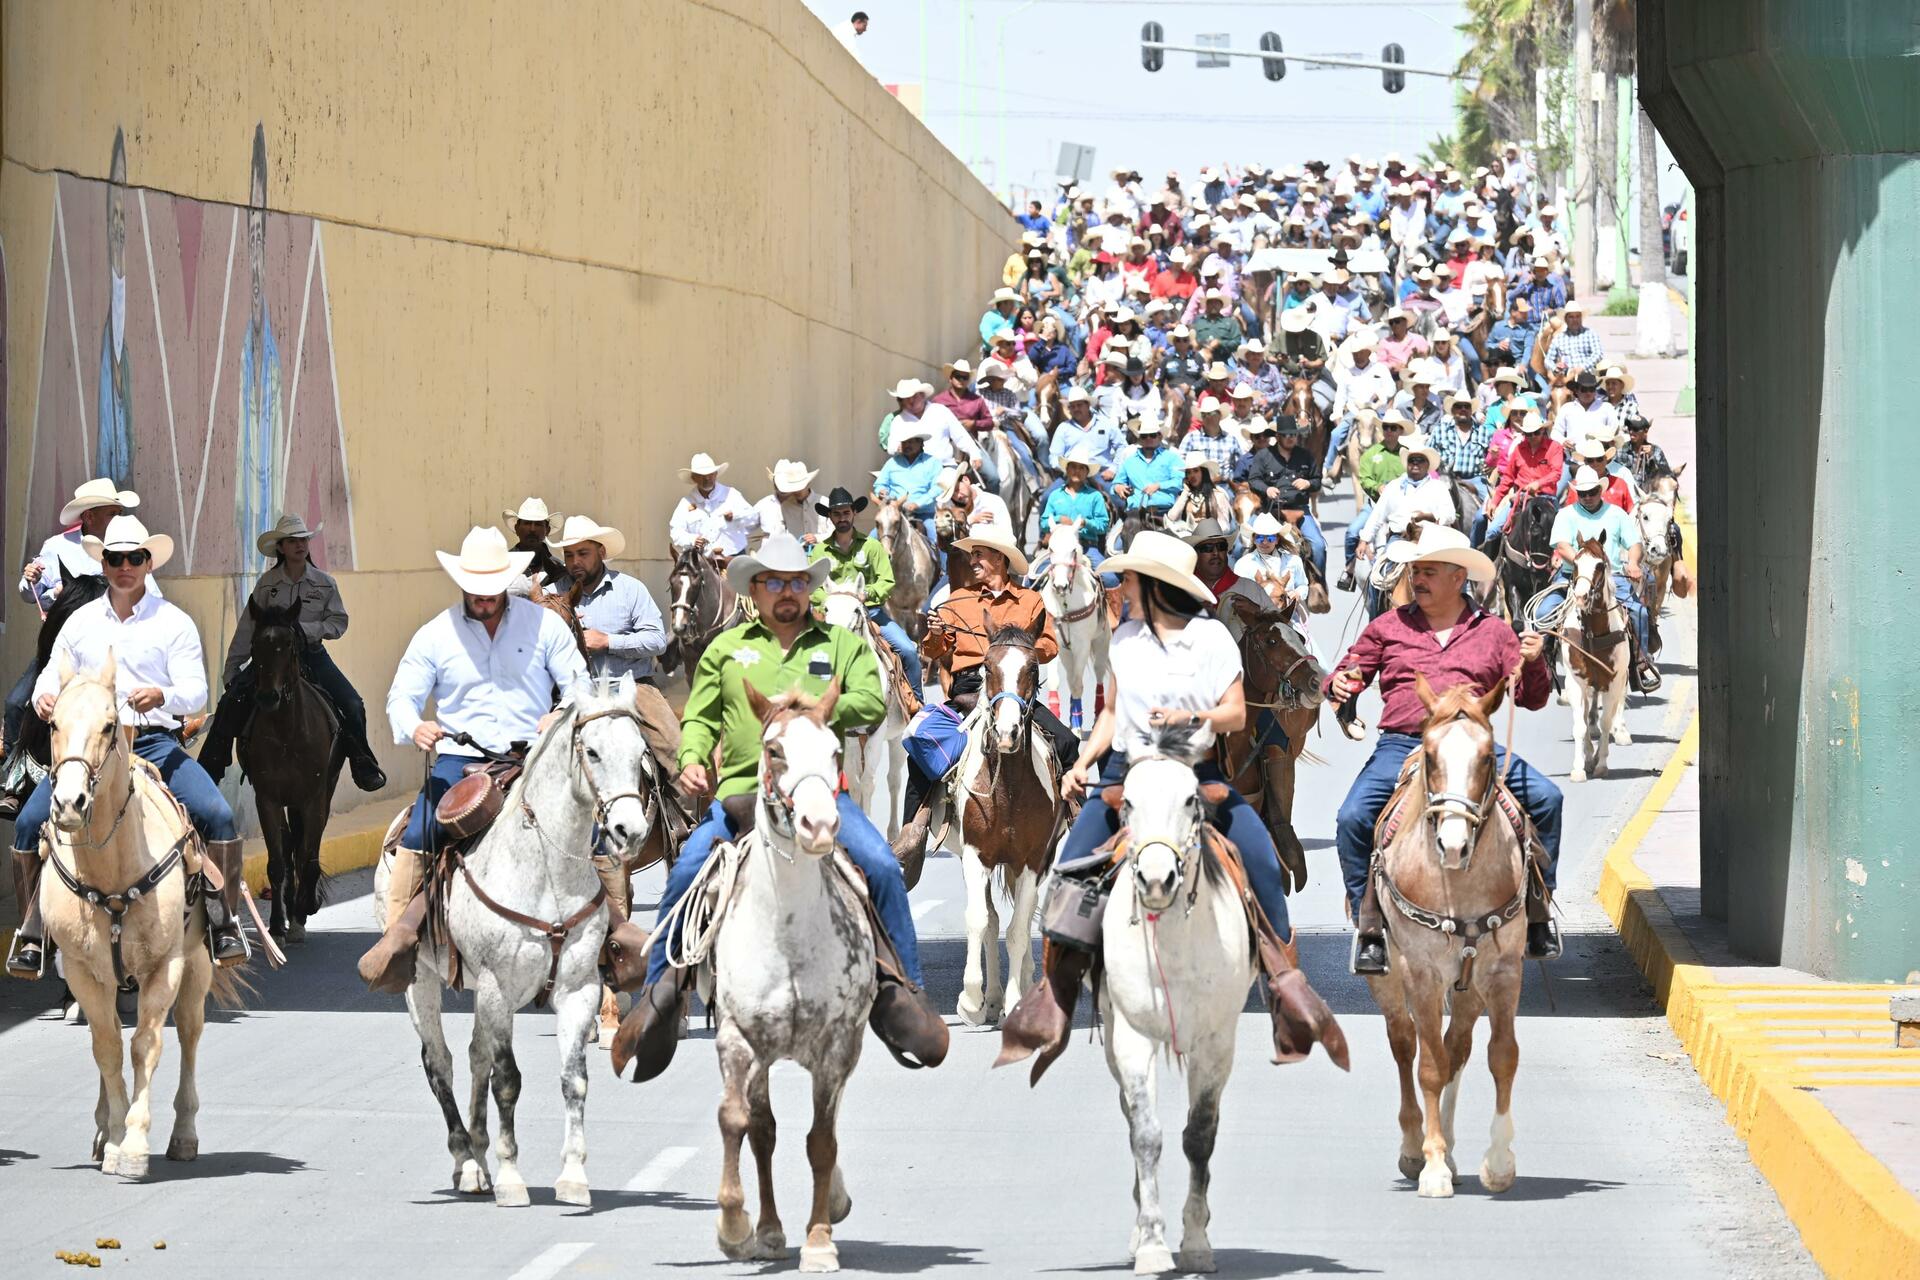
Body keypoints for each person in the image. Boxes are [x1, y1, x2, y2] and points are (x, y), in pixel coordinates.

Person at [615, 534, 945, 1079]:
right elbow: (698, 717)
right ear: (754, 590)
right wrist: (693, 759)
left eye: (797, 582)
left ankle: (903, 990)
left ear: (809, 588)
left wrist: (807, 712)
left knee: (884, 867)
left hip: (820, 790)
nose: (787, 592)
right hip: (742, 795)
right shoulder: (726, 649)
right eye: (775, 582)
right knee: (686, 872)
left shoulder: (840, 644)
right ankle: (660, 996)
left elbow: (868, 699)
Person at [1011, 532, 1305, 1056]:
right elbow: (1109, 714)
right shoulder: (1124, 639)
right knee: (1071, 865)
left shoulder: (1213, 639)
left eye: (1127, 579)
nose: (1118, 587)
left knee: (1259, 858)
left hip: (1196, 765)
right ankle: (1053, 993)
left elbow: (1235, 714)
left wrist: (1191, 717)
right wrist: (1081, 761)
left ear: (1157, 586)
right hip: (1128, 765)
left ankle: (1287, 988)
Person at [8, 516, 247, 979]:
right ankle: (32, 931)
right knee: (28, 823)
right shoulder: (79, 622)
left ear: (147, 562)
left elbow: (196, 691)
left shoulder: (173, 623)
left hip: (152, 742)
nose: (124, 567)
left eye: (134, 558)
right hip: (88, 748)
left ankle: (224, 924)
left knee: (217, 815)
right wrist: (44, 699)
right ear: (104, 562)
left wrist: (164, 697)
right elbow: (49, 673)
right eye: (115, 558)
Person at [357, 526, 592, 990]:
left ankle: (608, 939)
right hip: (460, 760)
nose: (484, 599)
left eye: (491, 591)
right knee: (421, 830)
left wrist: (560, 714)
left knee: (593, 829)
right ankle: (399, 940)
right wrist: (416, 726)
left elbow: (579, 684)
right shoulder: (435, 634)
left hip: (532, 755)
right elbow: (401, 698)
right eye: (475, 591)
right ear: (461, 583)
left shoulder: (544, 625)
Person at [1326, 524, 1563, 973]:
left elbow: (1531, 699)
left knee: (1548, 799)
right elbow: (1349, 673)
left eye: (1428, 571)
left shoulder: (1495, 632)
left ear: (1458, 577)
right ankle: (1369, 924)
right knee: (1352, 818)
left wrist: (1534, 663)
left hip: (1472, 746)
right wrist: (1338, 683)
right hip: (1404, 745)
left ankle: (1538, 912)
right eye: (1415, 571)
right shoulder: (1386, 627)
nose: (1417, 580)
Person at [894, 525, 1080, 862]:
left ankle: (1073, 817)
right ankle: (912, 832)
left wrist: (1016, 650)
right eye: (973, 554)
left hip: (1015, 691)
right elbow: (936, 652)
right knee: (921, 744)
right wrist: (934, 635)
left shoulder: (1030, 600)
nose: (973, 559)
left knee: (1066, 741)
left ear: (1001, 558)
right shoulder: (957, 599)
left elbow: (1050, 645)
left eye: (979, 553)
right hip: (968, 689)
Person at [198, 513, 388, 793]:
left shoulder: (325, 584)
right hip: (270, 659)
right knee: (230, 704)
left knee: (352, 704)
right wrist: (232, 670)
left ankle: (363, 762)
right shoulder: (266, 584)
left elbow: (338, 622)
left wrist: (307, 630)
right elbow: (247, 628)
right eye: (292, 541)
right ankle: (208, 771)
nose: (300, 545)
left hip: (311, 654)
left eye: (303, 540)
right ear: (281, 548)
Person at [1534, 467, 1661, 693]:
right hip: (1570, 575)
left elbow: (1634, 544)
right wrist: (1584, 565)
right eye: (1583, 493)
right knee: (1544, 612)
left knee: (1638, 612)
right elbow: (1562, 546)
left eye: (1592, 492)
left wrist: (1632, 562)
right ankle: (1545, 663)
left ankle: (1640, 664)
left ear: (1600, 490)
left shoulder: (1617, 514)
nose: (1588, 497)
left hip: (1610, 577)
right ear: (1577, 494)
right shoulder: (1566, 515)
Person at [809, 487, 923, 696]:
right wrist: (832, 601)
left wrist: (866, 594)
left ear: (854, 513)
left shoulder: (872, 546)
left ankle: (917, 703)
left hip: (871, 613)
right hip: (830, 617)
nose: (842, 518)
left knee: (908, 650)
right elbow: (812, 586)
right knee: (801, 654)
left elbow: (886, 581)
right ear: (830, 517)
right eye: (836, 513)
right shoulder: (819, 551)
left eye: (846, 512)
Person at [1356, 434, 1456, 570]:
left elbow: (1450, 514)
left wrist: (1429, 517)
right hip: (1400, 539)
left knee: (1453, 570)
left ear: (1427, 465)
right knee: (1379, 574)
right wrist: (1364, 540)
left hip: (1431, 538)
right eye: (1412, 460)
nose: (1415, 463)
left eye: (1420, 460)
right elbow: (1377, 515)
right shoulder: (1393, 486)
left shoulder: (1438, 487)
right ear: (1407, 463)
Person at [1244, 421, 1326, 577]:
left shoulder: (1306, 455)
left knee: (1318, 546)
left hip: (1300, 510)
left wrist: (1308, 483)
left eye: (1294, 435)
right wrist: (1266, 489)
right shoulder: (1263, 455)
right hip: (1271, 510)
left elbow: (1317, 481)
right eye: (1287, 435)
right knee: (1242, 546)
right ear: (1277, 436)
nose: (1291, 438)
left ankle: (1318, 585)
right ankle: (1244, 584)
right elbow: (1253, 480)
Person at [1037, 445, 1117, 586]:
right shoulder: (1055, 496)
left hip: (1087, 547)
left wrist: (1086, 523)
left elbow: (1103, 525)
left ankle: (1112, 608)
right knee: (1033, 577)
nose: (1077, 471)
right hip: (1058, 548)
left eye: (1081, 468)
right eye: (1073, 467)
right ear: (1067, 470)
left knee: (1110, 579)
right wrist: (1058, 519)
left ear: (1087, 472)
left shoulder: (1095, 496)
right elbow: (1043, 522)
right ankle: (1031, 607)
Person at [668, 453, 757, 560]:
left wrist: (736, 517)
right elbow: (676, 531)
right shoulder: (686, 503)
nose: (707, 478)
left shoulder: (732, 495)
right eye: (701, 476)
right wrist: (692, 540)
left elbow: (753, 518)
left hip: (734, 557)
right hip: (704, 562)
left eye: (710, 474)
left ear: (715, 474)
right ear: (694, 478)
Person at [1328, 329, 1397, 463]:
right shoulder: (1347, 373)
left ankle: (1394, 467)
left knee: (1393, 436)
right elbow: (1340, 396)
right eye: (1355, 354)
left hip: (1377, 412)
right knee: (1336, 434)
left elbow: (1391, 388)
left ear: (1368, 352)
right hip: (1354, 413)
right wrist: (1337, 414)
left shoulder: (1380, 369)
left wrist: (1380, 394)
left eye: (1360, 353)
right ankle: (1329, 467)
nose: (1357, 356)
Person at [874, 420, 945, 546]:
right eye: (904, 442)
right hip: (896, 514)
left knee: (937, 540)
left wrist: (917, 503)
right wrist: (881, 490)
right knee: (872, 539)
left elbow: (938, 488)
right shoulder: (892, 462)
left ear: (920, 443)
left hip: (924, 514)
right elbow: (880, 483)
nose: (907, 445)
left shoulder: (932, 462)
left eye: (911, 441)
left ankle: (943, 566)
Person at [1233, 512, 1309, 624]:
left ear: (1277, 539)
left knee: (1305, 640)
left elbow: (1303, 585)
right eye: (1259, 538)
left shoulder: (1293, 561)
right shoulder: (1243, 564)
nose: (1264, 542)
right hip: (1255, 620)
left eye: (1270, 538)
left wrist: (1297, 593)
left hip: (1289, 617)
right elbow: (1238, 594)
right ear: (1253, 539)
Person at [1111, 421, 1183, 519]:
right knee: (1116, 534)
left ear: (1160, 436)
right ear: (1139, 438)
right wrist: (1118, 488)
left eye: (1152, 435)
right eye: (1144, 436)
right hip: (1134, 514)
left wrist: (1159, 485)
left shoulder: (1172, 458)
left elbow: (1180, 482)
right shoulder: (1129, 461)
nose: (1148, 438)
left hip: (1165, 513)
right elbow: (1116, 483)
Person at [753, 459, 830, 547]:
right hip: (796, 555)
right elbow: (780, 533)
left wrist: (817, 538)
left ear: (808, 483)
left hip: (822, 553)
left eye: (800, 486)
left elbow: (835, 532)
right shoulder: (785, 507)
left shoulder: (825, 503)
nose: (797, 490)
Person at [502, 497, 569, 597]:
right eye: (527, 523)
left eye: (538, 524)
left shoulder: (559, 570)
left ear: (547, 530)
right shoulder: (502, 565)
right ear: (517, 528)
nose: (532, 529)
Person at [1166, 453, 1232, 537]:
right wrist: (1185, 492)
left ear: (1203, 472)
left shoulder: (1218, 495)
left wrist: (1208, 532)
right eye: (1189, 472)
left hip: (1212, 538)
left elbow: (1225, 526)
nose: (1192, 475)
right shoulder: (1184, 495)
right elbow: (1172, 517)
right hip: (1190, 539)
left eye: (1196, 471)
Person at [1544, 299, 1604, 382]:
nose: (1575, 320)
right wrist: (1556, 368)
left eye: (1577, 316)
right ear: (1566, 319)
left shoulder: (1590, 334)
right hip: (1567, 379)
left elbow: (1598, 354)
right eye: (1571, 317)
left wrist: (1583, 367)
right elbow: (1548, 360)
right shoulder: (1559, 338)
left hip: (1587, 377)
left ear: (1581, 318)